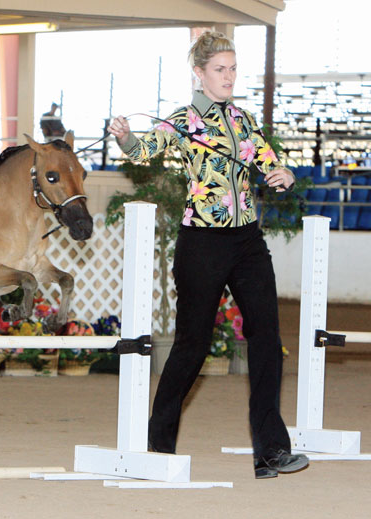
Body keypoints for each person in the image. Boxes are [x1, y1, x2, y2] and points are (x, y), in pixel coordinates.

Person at [108, 31, 306, 480]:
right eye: (221, 69)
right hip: (202, 241)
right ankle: (158, 443)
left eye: (233, 68)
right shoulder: (183, 120)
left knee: (267, 339)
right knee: (192, 345)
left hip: (247, 240)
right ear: (199, 73)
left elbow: (268, 161)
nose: (229, 76)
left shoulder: (243, 119)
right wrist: (124, 138)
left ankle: (271, 451)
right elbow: (143, 152)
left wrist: (282, 172)